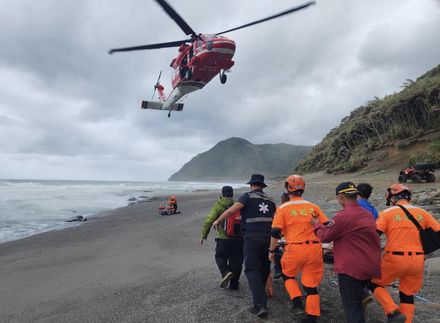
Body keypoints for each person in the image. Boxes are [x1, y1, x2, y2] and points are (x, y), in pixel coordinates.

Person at [368, 183, 440, 323]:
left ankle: (392, 312)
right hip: (418, 260)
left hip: (394, 258)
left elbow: (374, 236)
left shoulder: (387, 213)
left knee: (374, 283)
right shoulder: (423, 213)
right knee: (407, 294)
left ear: (392, 197)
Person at [312, 182, 381, 323]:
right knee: (359, 302)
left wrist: (316, 224)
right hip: (370, 265)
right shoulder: (367, 214)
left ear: (342, 196)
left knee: (352, 308)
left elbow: (325, 236)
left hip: (351, 268)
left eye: (338, 197)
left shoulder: (343, 216)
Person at [213, 174, 276, 318]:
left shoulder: (247, 196)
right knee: (264, 268)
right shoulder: (270, 200)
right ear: (262, 186)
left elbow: (231, 211)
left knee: (251, 269)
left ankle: (260, 305)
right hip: (268, 238)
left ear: (251, 185)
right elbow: (277, 220)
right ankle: (260, 295)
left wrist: (218, 220)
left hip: (251, 238)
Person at [269, 175, 329, 323]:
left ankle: (296, 302)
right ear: (303, 188)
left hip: (294, 249)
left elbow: (275, 232)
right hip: (314, 249)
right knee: (311, 285)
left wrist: (271, 250)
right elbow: (326, 225)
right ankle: (312, 317)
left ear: (287, 188)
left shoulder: (282, 208)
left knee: (288, 275)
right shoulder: (313, 207)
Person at [200, 186, 243, 290]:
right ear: (232, 195)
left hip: (223, 239)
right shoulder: (237, 205)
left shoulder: (218, 205)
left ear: (222, 194)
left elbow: (209, 220)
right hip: (238, 239)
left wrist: (204, 235)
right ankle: (234, 284)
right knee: (236, 261)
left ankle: (225, 272)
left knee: (220, 256)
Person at [272, 193, 290, 280]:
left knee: (276, 251)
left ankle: (278, 270)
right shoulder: (292, 208)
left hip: (281, 234)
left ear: (282, 199)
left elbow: (275, 223)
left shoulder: (279, 209)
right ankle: (284, 270)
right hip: (291, 235)